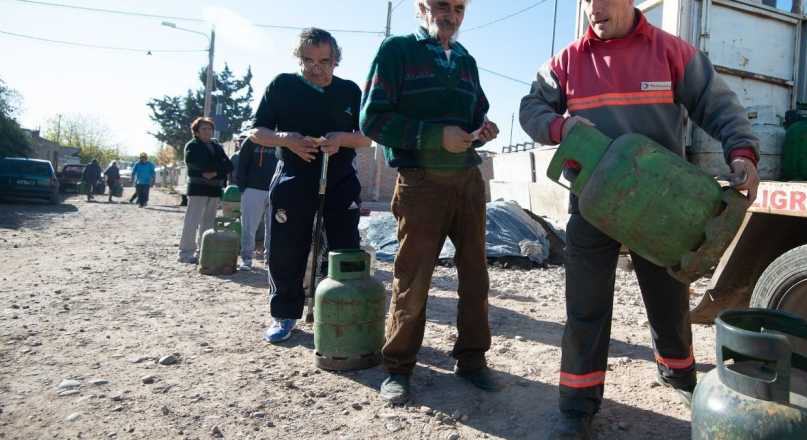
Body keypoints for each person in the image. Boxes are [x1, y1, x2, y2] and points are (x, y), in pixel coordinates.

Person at [518, 1, 761, 437]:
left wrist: (741, 152)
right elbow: (531, 108)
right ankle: (577, 404)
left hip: (660, 204)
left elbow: (717, 104)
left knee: (668, 297)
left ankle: (679, 373)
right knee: (586, 306)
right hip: (592, 204)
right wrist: (558, 128)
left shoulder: (671, 52)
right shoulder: (567, 61)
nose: (594, 8)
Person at [361, 0, 501, 405]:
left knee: (475, 274)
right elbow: (373, 120)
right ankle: (399, 366)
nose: (451, 14)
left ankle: (472, 360)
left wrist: (482, 128)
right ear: (422, 7)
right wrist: (434, 136)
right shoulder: (397, 51)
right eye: (442, 4)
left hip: (468, 179)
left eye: (459, 7)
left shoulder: (464, 59)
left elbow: (478, 110)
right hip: (420, 181)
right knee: (414, 276)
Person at [249, 28, 371, 343]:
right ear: (298, 58)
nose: (316, 68)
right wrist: (285, 139)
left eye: (324, 61)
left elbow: (368, 137)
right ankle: (285, 314)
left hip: (340, 178)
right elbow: (256, 131)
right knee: (286, 247)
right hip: (293, 177)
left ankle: (337, 310)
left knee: (344, 247)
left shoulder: (350, 91)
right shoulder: (282, 85)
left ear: (336, 60)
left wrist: (341, 139)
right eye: (308, 60)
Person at [177, 117, 233, 264]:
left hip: (214, 189)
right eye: (204, 129)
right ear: (196, 131)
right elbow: (196, 165)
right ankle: (185, 253)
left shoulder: (216, 146)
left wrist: (214, 172)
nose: (207, 131)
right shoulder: (192, 146)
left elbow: (228, 166)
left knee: (208, 223)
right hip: (197, 189)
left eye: (209, 129)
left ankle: (204, 251)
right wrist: (216, 167)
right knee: (192, 221)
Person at [235, 136, 279, 271]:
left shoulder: (282, 140)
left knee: (274, 228)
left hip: (276, 189)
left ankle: (270, 261)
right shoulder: (251, 140)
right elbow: (242, 165)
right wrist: (244, 188)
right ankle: (246, 259)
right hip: (253, 189)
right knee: (249, 227)